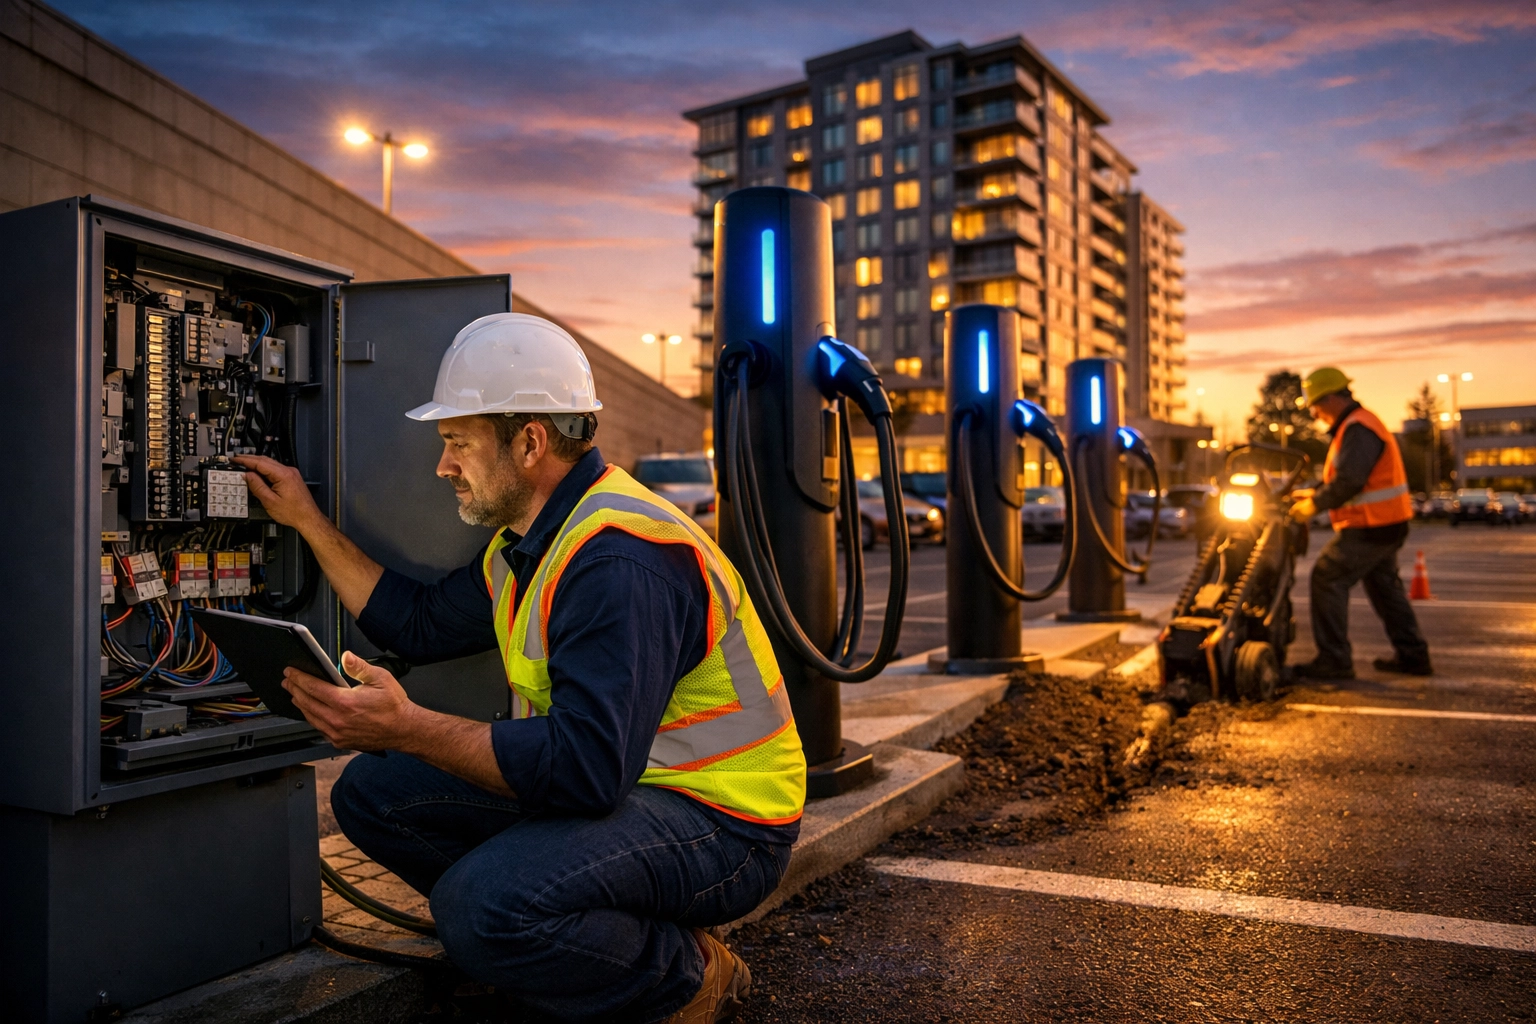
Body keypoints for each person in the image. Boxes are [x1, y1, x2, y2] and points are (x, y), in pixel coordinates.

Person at [236, 313, 804, 1024]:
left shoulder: (618, 560)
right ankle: (555, 945)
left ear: (530, 441)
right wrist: (308, 522)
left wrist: (409, 726)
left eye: (457, 444)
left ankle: (683, 974)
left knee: (479, 907)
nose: (443, 466)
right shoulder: (528, 545)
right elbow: (413, 623)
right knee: (373, 792)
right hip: (634, 793)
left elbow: (587, 770)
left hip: (726, 824)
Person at [1288, 367, 1432, 679]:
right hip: (1385, 524)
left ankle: (1335, 660)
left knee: (1327, 576)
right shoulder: (1358, 426)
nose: (1314, 413)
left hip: (1372, 526)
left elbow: (1351, 480)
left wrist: (1313, 504)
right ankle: (1413, 655)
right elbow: (1346, 478)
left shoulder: (1357, 429)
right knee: (1385, 589)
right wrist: (1312, 491)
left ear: (1331, 398)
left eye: (1315, 405)